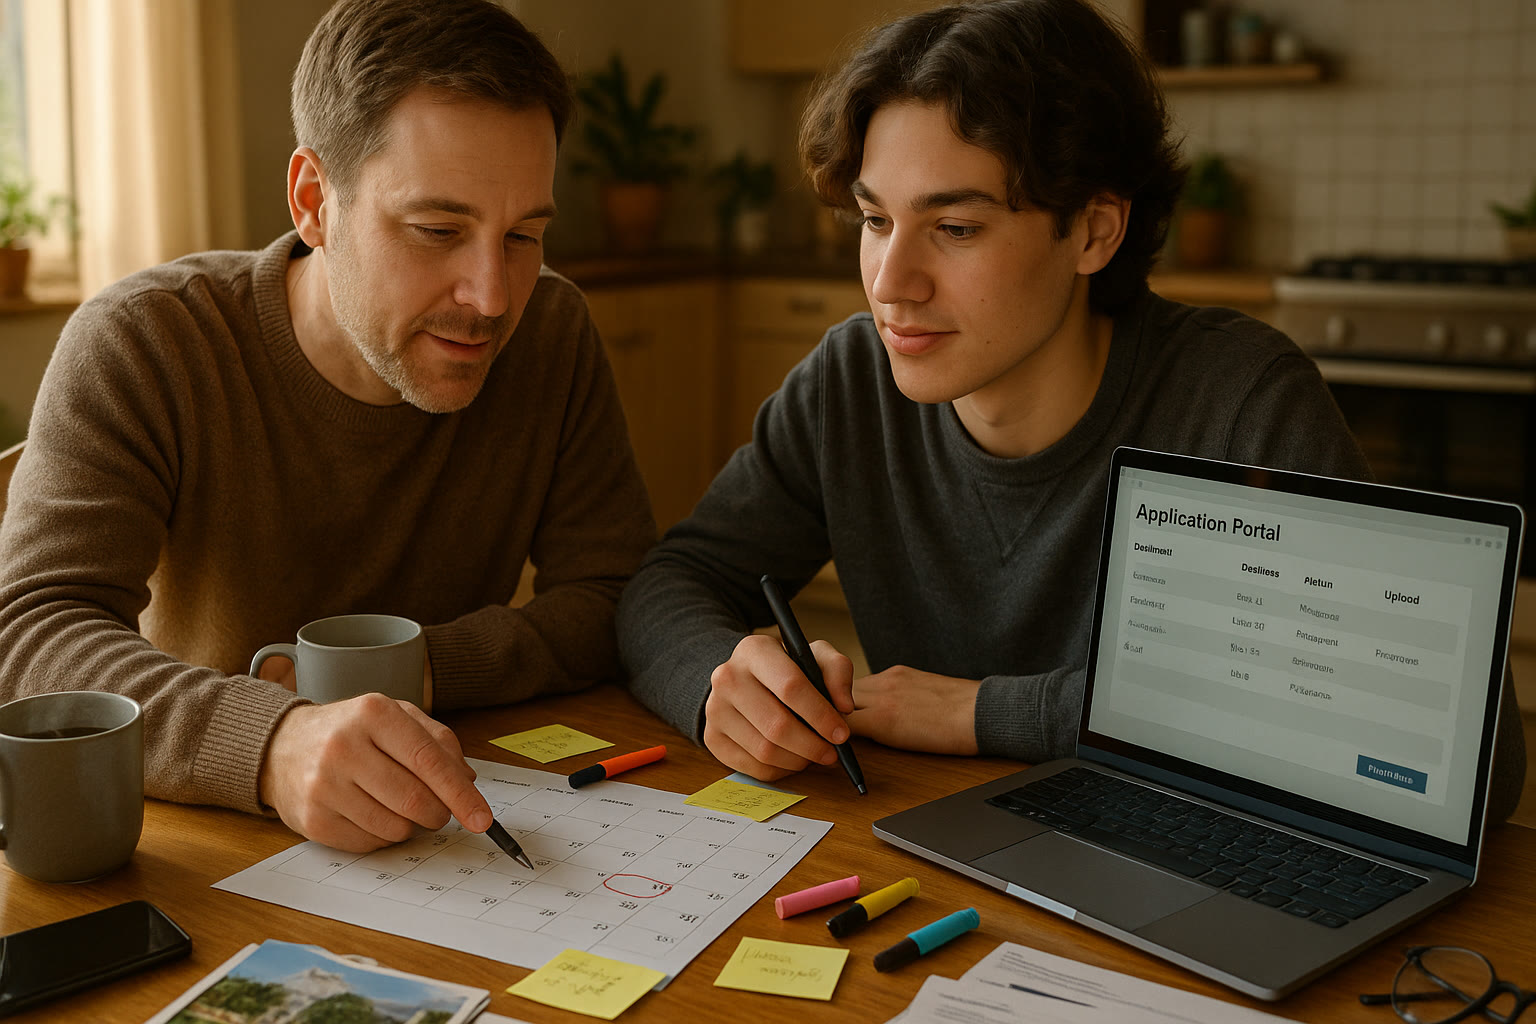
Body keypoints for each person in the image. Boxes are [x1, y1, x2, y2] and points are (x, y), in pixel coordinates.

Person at [617, 0, 1526, 819]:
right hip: (942, 843)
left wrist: (984, 711)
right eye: (875, 220)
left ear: (1094, 229)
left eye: (956, 228)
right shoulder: (851, 382)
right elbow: (673, 583)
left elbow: (1467, 755)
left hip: (1180, 859)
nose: (890, 284)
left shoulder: (1236, 395)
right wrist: (720, 686)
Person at [0, 0, 656, 852]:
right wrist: (273, 740)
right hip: (210, 841)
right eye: (436, 230)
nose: (492, 298)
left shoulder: (553, 332)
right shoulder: (147, 342)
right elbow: (32, 632)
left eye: (524, 235)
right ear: (314, 201)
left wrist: (418, 669)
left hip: (450, 824)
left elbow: (618, 596)